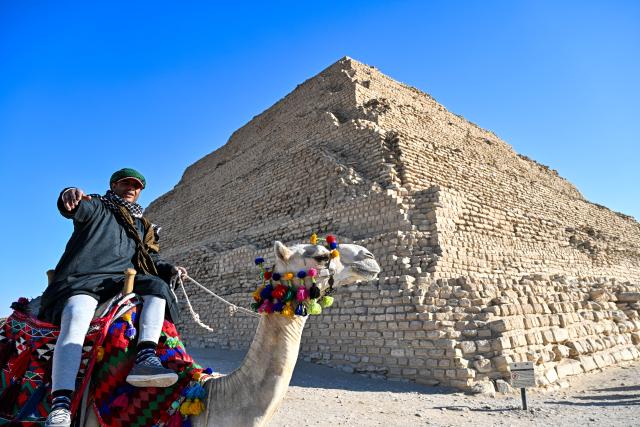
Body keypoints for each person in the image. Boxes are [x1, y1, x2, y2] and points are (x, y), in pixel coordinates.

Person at [39, 168, 187, 427]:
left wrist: (170, 269)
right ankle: (60, 404)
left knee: (157, 286)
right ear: (114, 185)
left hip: (117, 282)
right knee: (76, 318)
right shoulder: (97, 206)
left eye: (137, 186)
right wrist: (68, 195)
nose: (132, 188)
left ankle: (146, 357)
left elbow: (149, 258)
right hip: (83, 279)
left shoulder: (141, 225)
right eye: (126, 183)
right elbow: (73, 207)